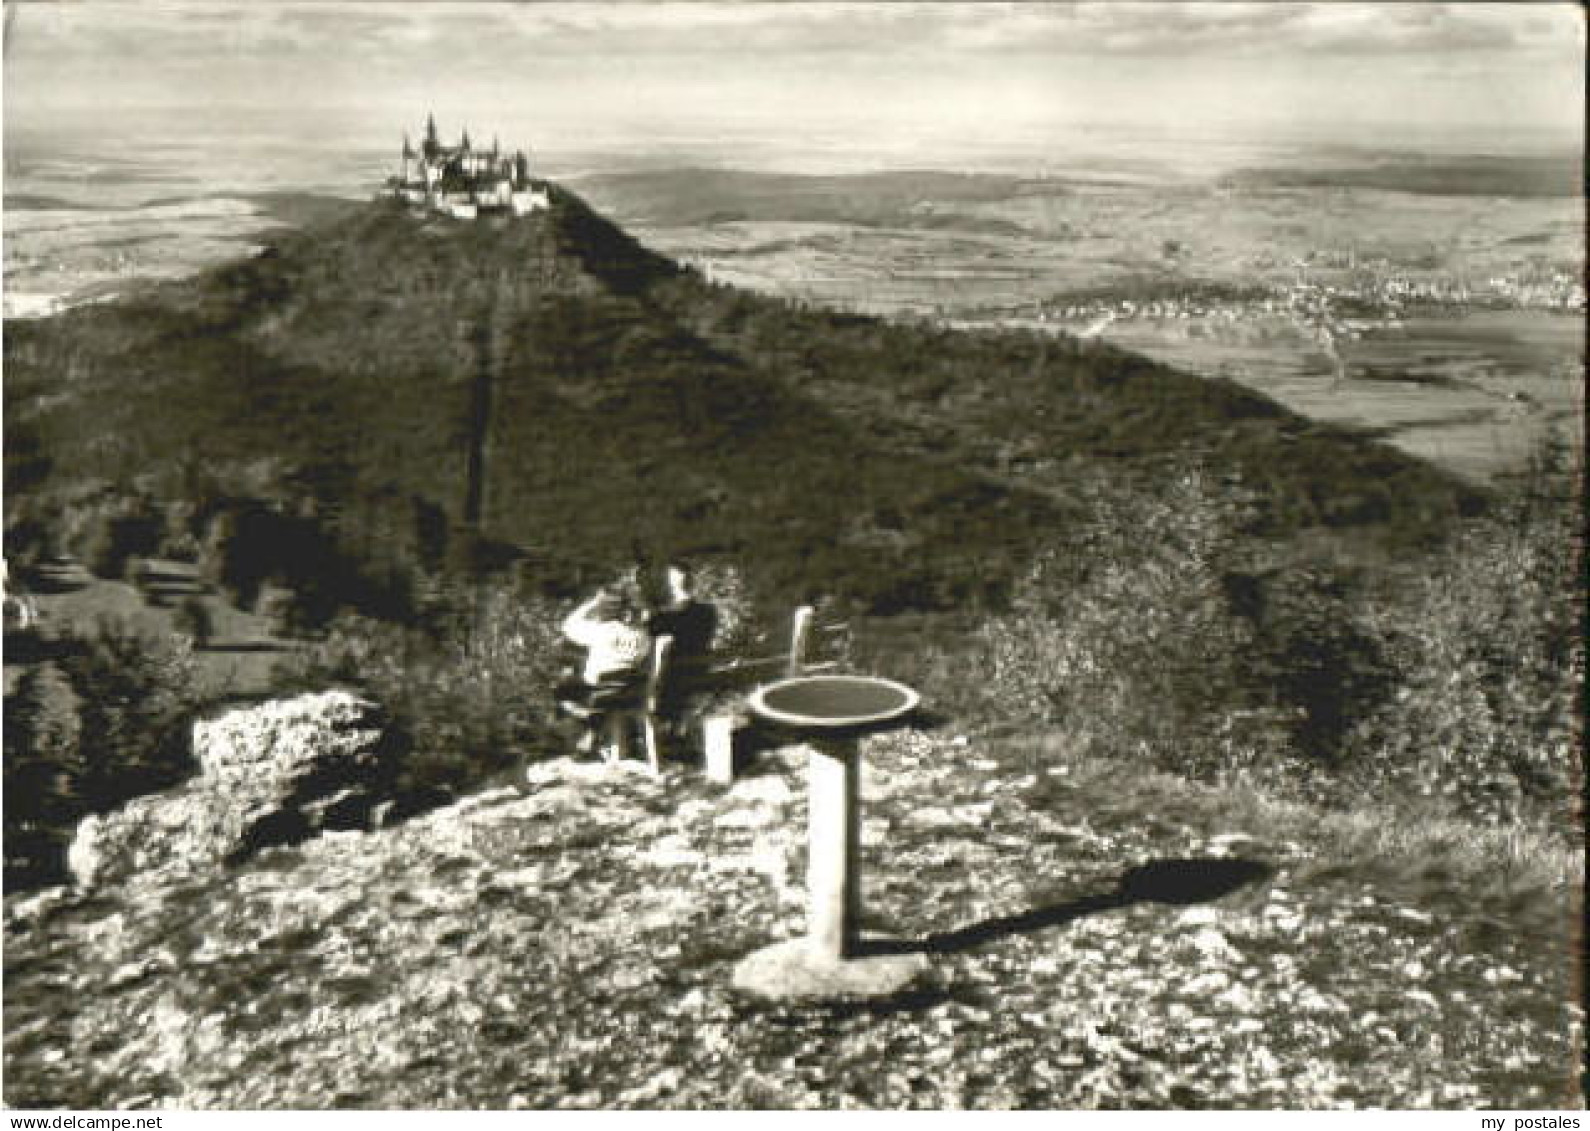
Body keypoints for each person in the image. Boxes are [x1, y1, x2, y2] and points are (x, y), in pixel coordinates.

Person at [554, 586, 653, 753]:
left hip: (598, 692)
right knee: (603, 687)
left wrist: (592, 602)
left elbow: (567, 625)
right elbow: (641, 658)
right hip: (632, 692)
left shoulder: (599, 630)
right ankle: (594, 729)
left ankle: (588, 723)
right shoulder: (641, 634)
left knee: (560, 689)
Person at [644, 563, 719, 727]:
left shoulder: (662, 618)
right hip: (700, 670)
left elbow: (654, 649)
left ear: (670, 584)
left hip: (673, 677)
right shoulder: (708, 612)